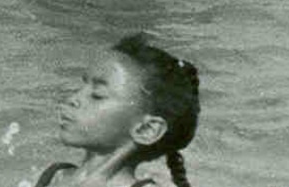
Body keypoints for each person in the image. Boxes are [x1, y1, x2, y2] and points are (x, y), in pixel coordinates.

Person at [32, 33, 199, 186]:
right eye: (82, 86)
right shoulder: (54, 176)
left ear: (146, 129)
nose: (72, 99)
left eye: (97, 95)